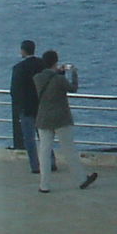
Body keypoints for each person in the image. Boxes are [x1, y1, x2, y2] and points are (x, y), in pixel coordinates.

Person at [32, 49, 79, 190]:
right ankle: (81, 179)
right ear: (56, 61)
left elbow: (48, 81)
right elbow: (73, 88)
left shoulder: (37, 78)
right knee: (69, 150)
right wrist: (74, 73)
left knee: (44, 152)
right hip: (61, 118)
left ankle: (44, 184)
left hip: (43, 117)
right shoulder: (59, 79)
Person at [10, 40, 45, 165]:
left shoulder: (19, 68)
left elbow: (14, 90)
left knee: (29, 139)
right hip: (42, 106)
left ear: (23, 50)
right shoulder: (43, 65)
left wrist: (18, 106)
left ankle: (35, 165)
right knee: (45, 137)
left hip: (26, 108)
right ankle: (50, 162)